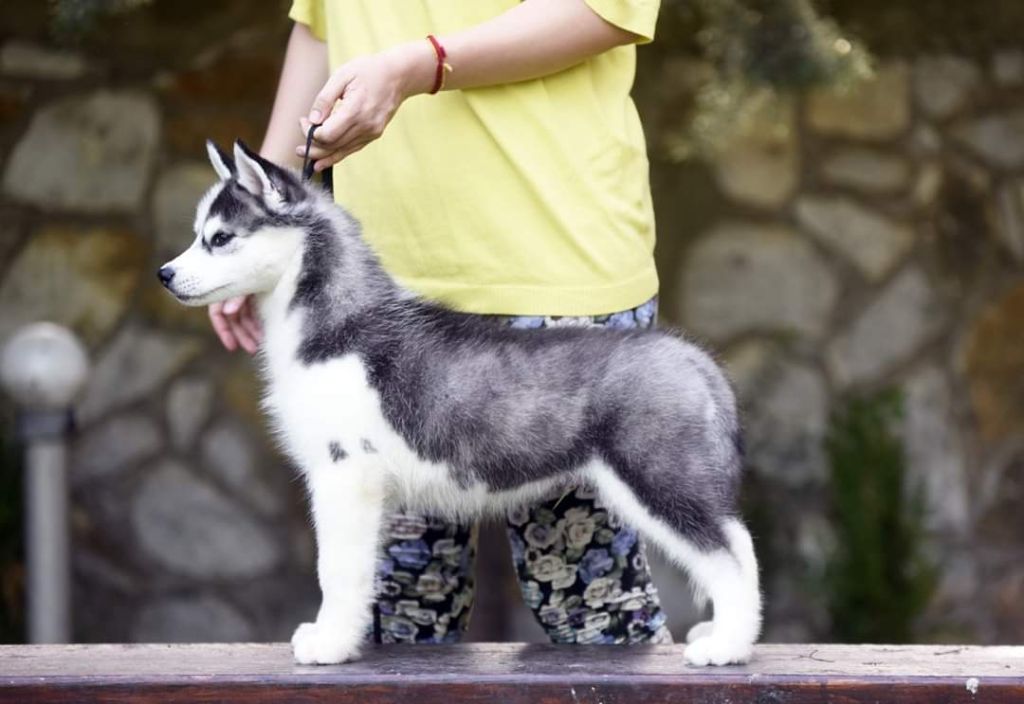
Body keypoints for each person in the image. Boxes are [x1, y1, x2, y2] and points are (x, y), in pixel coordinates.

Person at [208, 0, 671, 645]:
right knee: (391, 620)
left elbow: (605, 11)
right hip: (381, 298)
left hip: (557, 279)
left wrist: (421, 66)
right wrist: (256, 209)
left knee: (595, 610)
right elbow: (320, 26)